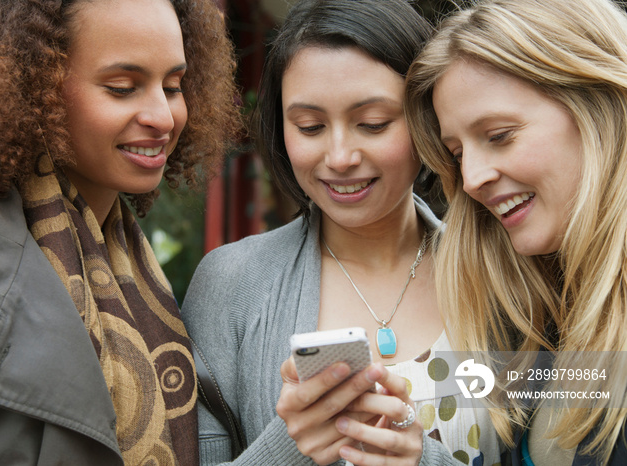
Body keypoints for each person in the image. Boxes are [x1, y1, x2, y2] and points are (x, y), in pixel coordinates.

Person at [181, 0, 500, 464]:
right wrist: (291, 444)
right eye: (310, 127)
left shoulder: (501, 274)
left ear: (427, 120)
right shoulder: (231, 285)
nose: (340, 156)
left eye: (372, 124)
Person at [0, 0, 240, 464]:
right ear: (33, 85)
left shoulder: (128, 258)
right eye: (122, 87)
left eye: (173, 86)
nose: (164, 116)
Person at [404, 0, 627, 464]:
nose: (470, 180)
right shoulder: (545, 314)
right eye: (458, 153)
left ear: (602, 108)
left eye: (500, 134)